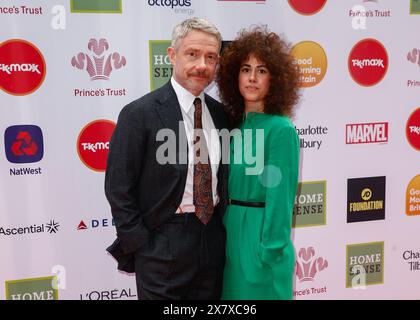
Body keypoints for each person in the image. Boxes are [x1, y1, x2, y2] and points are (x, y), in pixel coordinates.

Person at [105, 18, 229, 300]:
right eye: (192, 54)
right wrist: (142, 245)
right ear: (172, 55)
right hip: (162, 242)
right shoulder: (140, 113)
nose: (202, 65)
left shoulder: (221, 114)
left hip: (213, 241)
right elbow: (117, 187)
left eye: (211, 57)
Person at [216, 26, 300, 300]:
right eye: (245, 69)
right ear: (234, 75)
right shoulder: (234, 126)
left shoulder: (281, 129)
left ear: (275, 79)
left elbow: (281, 198)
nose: (252, 78)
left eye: (262, 70)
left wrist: (269, 251)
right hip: (231, 238)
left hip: (261, 244)